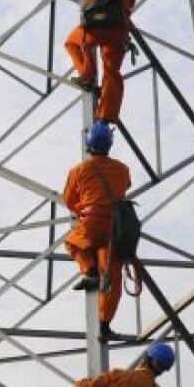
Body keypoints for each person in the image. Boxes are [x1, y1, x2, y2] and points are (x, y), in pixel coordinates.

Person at [63, 120, 131, 338]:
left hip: (92, 222)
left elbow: (69, 200)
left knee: (73, 242)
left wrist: (83, 209)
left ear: (88, 144)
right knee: (112, 279)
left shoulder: (79, 170)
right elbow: (125, 187)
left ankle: (89, 271)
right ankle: (104, 326)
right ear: (109, 144)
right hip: (116, 228)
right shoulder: (122, 169)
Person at [63, 0, 137, 123]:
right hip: (117, 31)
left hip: (92, 29)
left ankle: (87, 74)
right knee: (112, 73)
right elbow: (130, 4)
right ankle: (106, 117)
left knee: (72, 43)